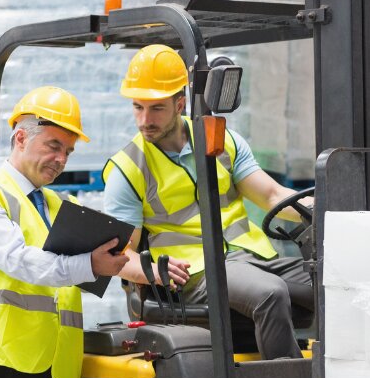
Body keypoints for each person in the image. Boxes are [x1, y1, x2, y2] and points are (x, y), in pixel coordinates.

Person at [0, 86, 177, 378]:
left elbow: (113, 256)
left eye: (68, 152)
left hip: (58, 369)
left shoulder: (63, 206)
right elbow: (19, 260)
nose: (61, 159)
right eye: (53, 146)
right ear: (22, 138)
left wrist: (154, 271)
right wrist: (88, 264)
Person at [103, 44, 314, 360]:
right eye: (137, 108)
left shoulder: (223, 140)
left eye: (156, 108)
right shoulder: (129, 168)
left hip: (252, 256)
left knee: (331, 283)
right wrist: (153, 274)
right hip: (196, 272)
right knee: (269, 294)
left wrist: (327, 209)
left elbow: (271, 195)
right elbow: (120, 253)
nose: (144, 120)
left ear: (180, 103)